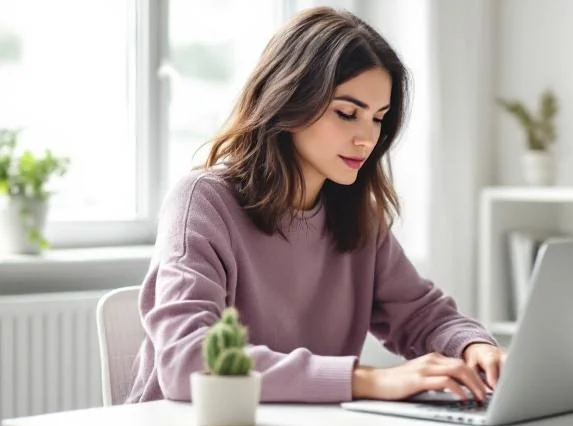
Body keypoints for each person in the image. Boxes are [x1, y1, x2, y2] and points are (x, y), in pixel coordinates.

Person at [126, 6, 505, 405]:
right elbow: (187, 361)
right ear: (290, 100)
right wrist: (366, 380)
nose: (367, 138)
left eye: (378, 118)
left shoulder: (358, 217)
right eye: (347, 113)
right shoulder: (204, 201)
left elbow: (422, 315)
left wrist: (474, 347)